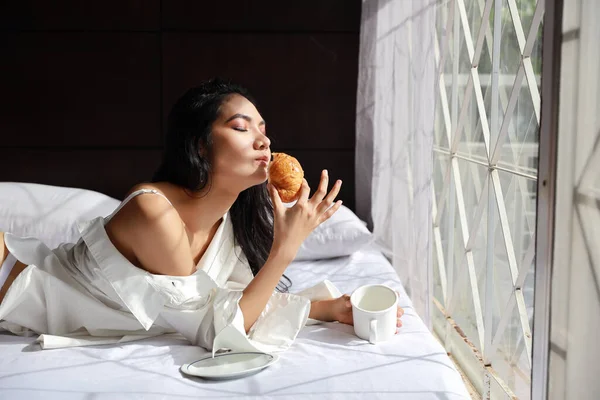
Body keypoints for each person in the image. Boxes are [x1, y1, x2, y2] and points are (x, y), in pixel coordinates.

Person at [0, 78, 403, 353]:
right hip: (9, 278)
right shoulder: (153, 212)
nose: (264, 139)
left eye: (264, 128)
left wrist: (328, 308)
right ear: (201, 146)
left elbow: (228, 306)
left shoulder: (226, 223)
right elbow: (215, 332)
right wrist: (286, 246)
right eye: (242, 128)